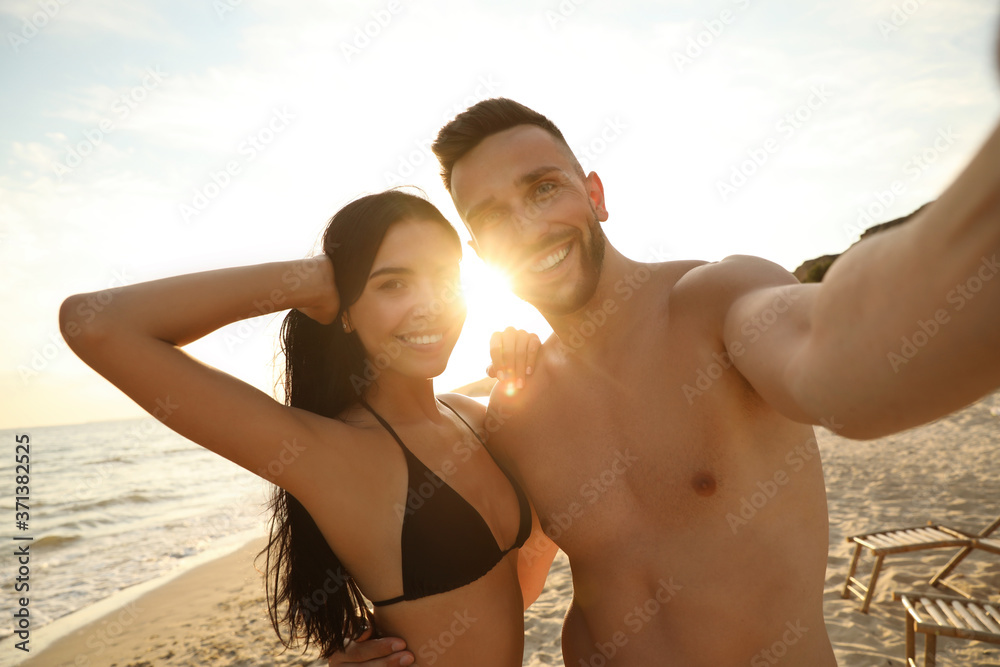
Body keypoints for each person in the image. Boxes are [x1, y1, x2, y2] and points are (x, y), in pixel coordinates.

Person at [335, 94, 1000, 667]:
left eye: (543, 188)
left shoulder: (714, 300)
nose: (530, 225)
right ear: (481, 254)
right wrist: (392, 645)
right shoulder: (519, 402)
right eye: (493, 217)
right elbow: (517, 585)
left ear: (593, 194)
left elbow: (838, 360)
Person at [59, 189, 558, 666]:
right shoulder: (330, 454)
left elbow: (514, 592)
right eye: (392, 284)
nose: (431, 304)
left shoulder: (470, 416)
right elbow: (94, 324)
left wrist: (525, 392)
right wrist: (309, 282)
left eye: (445, 278)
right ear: (344, 314)